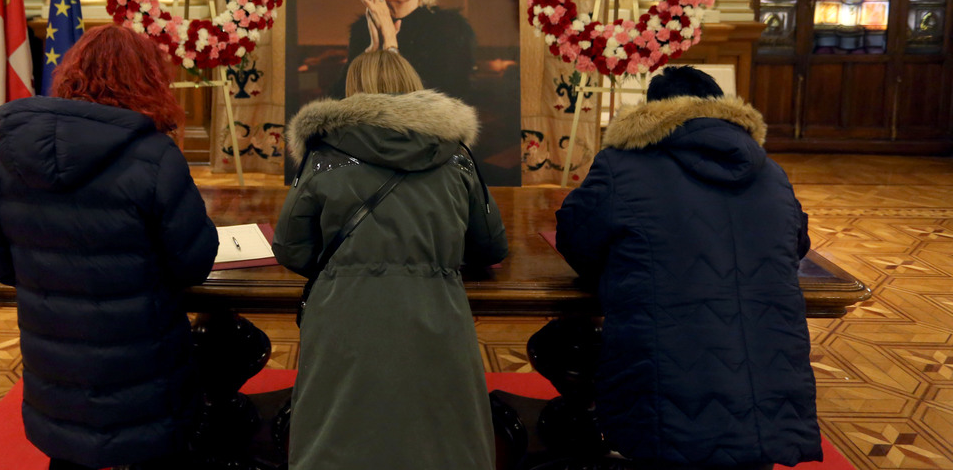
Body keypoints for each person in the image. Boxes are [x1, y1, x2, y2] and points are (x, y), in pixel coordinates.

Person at [553, 66, 822, 470]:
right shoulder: (770, 172)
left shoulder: (620, 167)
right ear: (724, 109)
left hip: (665, 375)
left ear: (653, 112)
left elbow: (576, 240)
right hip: (765, 377)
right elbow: (796, 244)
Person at [0, 24, 219, 470]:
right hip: (142, 374)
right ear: (149, 79)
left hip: (57, 372)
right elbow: (193, 263)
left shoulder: (7, 154)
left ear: (71, 74)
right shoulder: (155, 157)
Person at [275, 49, 508, 470]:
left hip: (344, 317)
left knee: (337, 438)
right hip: (438, 314)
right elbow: (490, 247)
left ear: (352, 93)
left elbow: (292, 247)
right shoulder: (455, 156)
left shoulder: (324, 154)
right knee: (442, 442)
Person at [341, 0, 476, 101]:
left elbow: (438, 106)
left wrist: (390, 45)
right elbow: (342, 98)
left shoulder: (449, 30)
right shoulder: (363, 30)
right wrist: (369, 55)